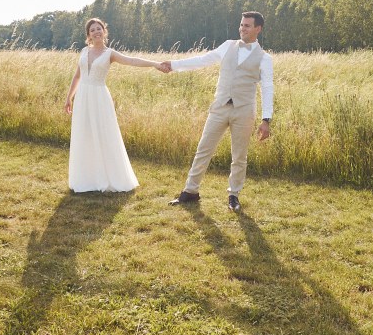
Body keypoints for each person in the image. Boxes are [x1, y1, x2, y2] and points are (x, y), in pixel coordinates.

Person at [164, 11, 274, 212]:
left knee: (239, 156)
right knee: (203, 149)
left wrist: (266, 119)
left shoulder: (264, 58)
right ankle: (190, 191)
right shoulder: (227, 45)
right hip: (219, 107)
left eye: (247, 26)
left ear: (258, 29)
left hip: (244, 111)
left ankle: (234, 195)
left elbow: (267, 88)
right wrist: (173, 65)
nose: (242, 29)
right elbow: (202, 60)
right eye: (241, 25)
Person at [65, 18, 168, 192]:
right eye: (92, 30)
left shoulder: (109, 53)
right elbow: (77, 76)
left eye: (99, 28)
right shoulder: (83, 51)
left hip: (99, 97)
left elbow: (132, 61)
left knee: (105, 134)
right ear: (88, 35)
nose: (96, 32)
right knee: (84, 134)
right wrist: (69, 97)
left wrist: (155, 64)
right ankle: (86, 178)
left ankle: (109, 177)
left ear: (104, 31)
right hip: (82, 97)